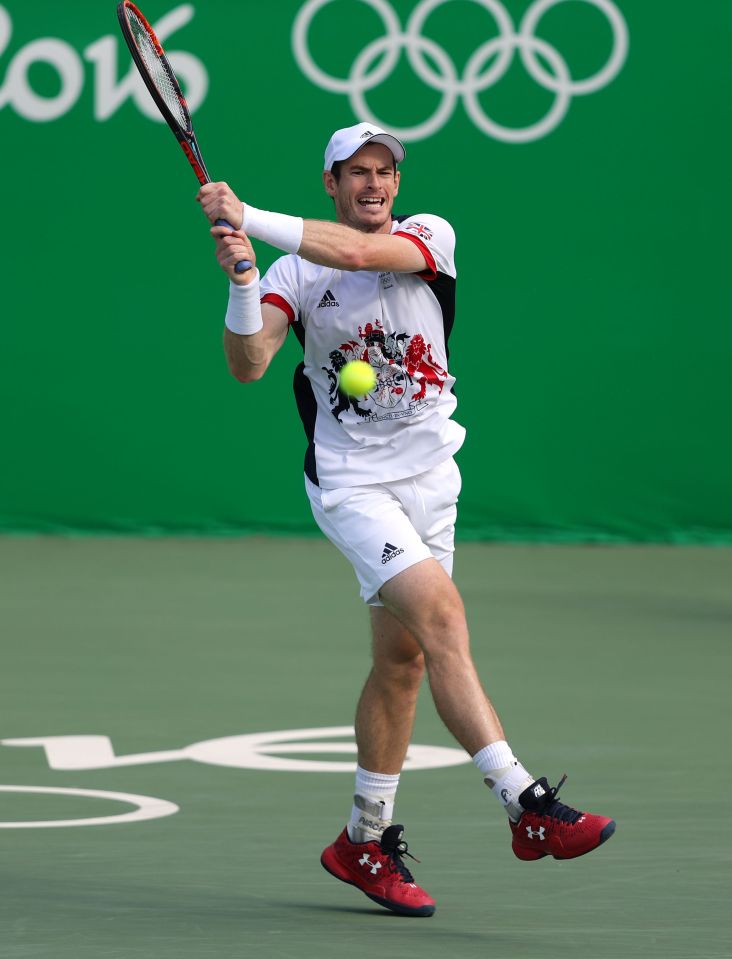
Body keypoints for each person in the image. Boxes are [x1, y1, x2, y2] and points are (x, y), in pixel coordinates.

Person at [197, 122, 615, 918]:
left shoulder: (429, 235)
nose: (375, 184)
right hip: (355, 484)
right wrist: (246, 279)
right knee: (442, 618)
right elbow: (249, 365)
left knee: (404, 663)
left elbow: (355, 255)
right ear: (331, 182)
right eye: (357, 172)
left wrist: (247, 214)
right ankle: (525, 804)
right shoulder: (292, 268)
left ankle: (362, 838)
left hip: (433, 478)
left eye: (386, 170)